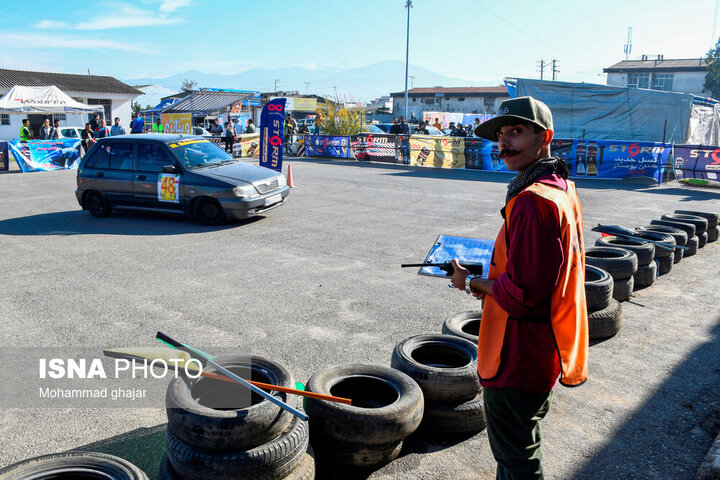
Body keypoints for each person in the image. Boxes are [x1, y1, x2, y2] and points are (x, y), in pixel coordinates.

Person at [449, 96, 588, 480]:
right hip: (540, 346)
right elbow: (538, 273)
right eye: (501, 134)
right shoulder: (560, 187)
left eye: (516, 131)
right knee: (517, 451)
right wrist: (490, 281)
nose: (504, 142)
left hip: (518, 353)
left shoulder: (532, 201)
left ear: (546, 137)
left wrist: (471, 281)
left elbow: (523, 293)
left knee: (516, 457)